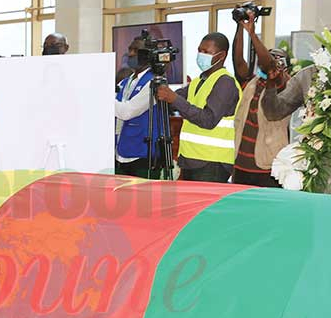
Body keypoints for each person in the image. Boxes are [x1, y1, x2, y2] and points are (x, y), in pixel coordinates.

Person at [156, 32, 242, 183]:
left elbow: (208, 120)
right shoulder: (198, 81)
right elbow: (171, 102)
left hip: (212, 162)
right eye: (199, 50)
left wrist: (174, 99)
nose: (201, 55)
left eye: (206, 52)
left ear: (221, 56)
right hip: (191, 158)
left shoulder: (225, 82)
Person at [229, 11, 293, 187]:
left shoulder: (284, 86)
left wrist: (252, 34)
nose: (273, 63)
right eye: (270, 56)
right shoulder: (252, 81)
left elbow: (270, 66)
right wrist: (240, 28)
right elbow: (238, 61)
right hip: (241, 164)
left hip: (268, 166)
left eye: (279, 61)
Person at [114, 36, 165, 179]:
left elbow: (127, 112)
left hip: (143, 156)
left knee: (144, 200)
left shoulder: (153, 83)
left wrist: (104, 97)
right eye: (130, 49)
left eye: (136, 50)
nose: (130, 54)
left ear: (148, 55)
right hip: (120, 153)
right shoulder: (125, 82)